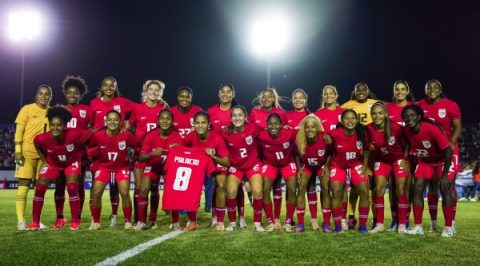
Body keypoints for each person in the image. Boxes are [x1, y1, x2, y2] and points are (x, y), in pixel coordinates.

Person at [29, 106, 90, 230]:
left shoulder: (75, 134)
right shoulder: (42, 138)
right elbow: (37, 144)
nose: (55, 128)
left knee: (72, 186)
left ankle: (75, 221)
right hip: (53, 164)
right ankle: (35, 222)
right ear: (49, 125)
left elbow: (91, 133)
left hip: (71, 163)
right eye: (52, 125)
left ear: (64, 126)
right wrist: (44, 161)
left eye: (59, 125)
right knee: (40, 186)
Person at [401, 105, 455, 237]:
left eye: (412, 115)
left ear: (419, 117)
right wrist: (406, 157)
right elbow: (409, 143)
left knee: (445, 189)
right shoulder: (407, 130)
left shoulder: (431, 129)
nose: (409, 118)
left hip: (441, 161)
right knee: (417, 189)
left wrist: (444, 175)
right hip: (425, 162)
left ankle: (449, 228)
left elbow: (448, 150)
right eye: (406, 116)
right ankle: (418, 226)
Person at [89, 76, 136, 227]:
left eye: (112, 85)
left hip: (119, 156)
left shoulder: (121, 102)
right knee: (96, 191)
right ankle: (95, 220)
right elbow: (89, 123)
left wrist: (128, 124)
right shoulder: (94, 103)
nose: (109, 88)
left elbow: (139, 109)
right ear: (101, 87)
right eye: (106, 85)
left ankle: (119, 218)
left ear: (115, 87)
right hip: (102, 153)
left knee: (120, 191)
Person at [417, 79, 462, 233]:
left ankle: (451, 224)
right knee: (432, 187)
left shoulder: (450, 105)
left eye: (435, 87)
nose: (432, 89)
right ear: (425, 90)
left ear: (440, 89)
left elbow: (457, 126)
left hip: (448, 150)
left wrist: (451, 143)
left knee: (448, 185)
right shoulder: (419, 106)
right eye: (429, 87)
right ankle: (434, 222)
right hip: (430, 152)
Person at [127, 80, 167, 227]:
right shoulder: (138, 108)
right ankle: (138, 218)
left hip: (156, 155)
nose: (154, 92)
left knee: (154, 188)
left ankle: (153, 219)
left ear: (160, 93)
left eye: (157, 90)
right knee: (139, 188)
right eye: (151, 89)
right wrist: (132, 142)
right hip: (140, 154)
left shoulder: (163, 108)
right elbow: (127, 126)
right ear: (146, 91)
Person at [53, 75, 91, 229]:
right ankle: (60, 217)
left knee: (78, 185)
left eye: (76, 93)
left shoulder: (86, 110)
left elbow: (92, 130)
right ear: (65, 93)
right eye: (70, 92)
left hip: (79, 154)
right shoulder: (58, 109)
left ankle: (77, 216)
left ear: (80, 94)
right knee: (60, 185)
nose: (73, 95)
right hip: (60, 154)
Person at [135, 109, 182, 230]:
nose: (165, 121)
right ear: (158, 120)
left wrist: (179, 149)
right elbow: (141, 157)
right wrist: (153, 153)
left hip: (169, 167)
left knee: (173, 190)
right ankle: (142, 222)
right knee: (144, 188)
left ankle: (175, 222)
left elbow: (183, 155)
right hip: (153, 166)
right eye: (162, 118)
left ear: (172, 121)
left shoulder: (176, 136)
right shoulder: (151, 135)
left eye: (168, 119)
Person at [207, 83, 246, 228]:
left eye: (228, 92)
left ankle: (241, 217)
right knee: (219, 185)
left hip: (236, 155)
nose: (225, 94)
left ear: (233, 94)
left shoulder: (237, 111)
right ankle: (215, 216)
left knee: (237, 186)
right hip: (219, 156)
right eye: (222, 92)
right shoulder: (211, 111)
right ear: (218, 94)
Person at [366, 103, 410, 234]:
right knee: (378, 188)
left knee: (400, 189)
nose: (377, 116)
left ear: (385, 114)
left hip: (398, 159)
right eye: (374, 113)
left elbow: (408, 143)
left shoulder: (396, 127)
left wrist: (406, 159)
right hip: (382, 160)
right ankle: (379, 224)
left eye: (380, 113)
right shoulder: (368, 128)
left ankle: (402, 225)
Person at [183, 111, 230, 231]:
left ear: (209, 124)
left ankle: (219, 221)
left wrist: (214, 156)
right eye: (197, 122)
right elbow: (182, 151)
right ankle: (193, 221)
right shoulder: (190, 137)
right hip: (198, 167)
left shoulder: (216, 137)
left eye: (203, 122)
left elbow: (226, 162)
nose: (200, 125)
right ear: (193, 124)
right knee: (189, 186)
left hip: (215, 165)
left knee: (220, 184)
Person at [325, 109, 370, 233]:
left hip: (356, 165)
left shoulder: (361, 133)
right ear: (342, 120)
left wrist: (365, 166)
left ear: (357, 120)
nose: (350, 121)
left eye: (353, 118)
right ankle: (339, 226)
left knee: (365, 192)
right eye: (347, 118)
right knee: (336, 192)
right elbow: (326, 146)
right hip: (338, 166)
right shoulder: (334, 133)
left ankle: (362, 226)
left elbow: (366, 150)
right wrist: (326, 166)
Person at [340, 83, 379, 230]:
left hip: (374, 150)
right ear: (354, 92)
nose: (361, 92)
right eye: (358, 90)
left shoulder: (375, 104)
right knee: (355, 189)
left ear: (369, 91)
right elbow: (340, 124)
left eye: (364, 90)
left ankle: (376, 219)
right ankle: (351, 217)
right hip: (356, 149)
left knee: (372, 189)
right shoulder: (347, 105)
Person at [14, 85, 52, 230]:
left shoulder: (52, 111)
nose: (43, 96)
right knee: (23, 186)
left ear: (50, 97)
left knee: (40, 189)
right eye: (41, 94)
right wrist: (18, 150)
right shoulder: (27, 109)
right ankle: (21, 220)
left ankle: (36, 220)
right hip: (27, 154)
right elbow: (19, 131)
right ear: (36, 95)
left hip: (43, 157)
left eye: (46, 94)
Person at [221, 106, 265, 232]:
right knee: (230, 191)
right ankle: (233, 223)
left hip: (252, 165)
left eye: (240, 115)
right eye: (234, 115)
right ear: (230, 118)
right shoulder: (225, 133)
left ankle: (257, 224)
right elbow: (212, 137)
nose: (237, 118)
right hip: (236, 166)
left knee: (257, 191)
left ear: (246, 117)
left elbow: (269, 130)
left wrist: (284, 128)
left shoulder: (253, 128)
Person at [249, 87, 287, 227]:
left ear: (274, 98)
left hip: (275, 155)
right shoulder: (254, 112)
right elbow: (250, 131)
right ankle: (269, 217)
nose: (266, 98)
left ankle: (276, 218)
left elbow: (285, 132)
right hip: (259, 155)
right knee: (263, 187)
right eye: (263, 96)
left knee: (277, 187)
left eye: (269, 96)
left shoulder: (280, 113)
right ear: (260, 98)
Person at [258, 113, 298, 232]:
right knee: (265, 189)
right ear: (266, 126)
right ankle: (271, 221)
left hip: (287, 163)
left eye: (276, 124)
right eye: (270, 124)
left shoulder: (289, 133)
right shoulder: (261, 135)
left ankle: (288, 221)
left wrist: (323, 134)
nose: (273, 126)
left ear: (281, 125)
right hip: (270, 164)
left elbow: (303, 131)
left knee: (291, 189)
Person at [385, 80, 415, 231]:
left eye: (403, 89)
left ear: (407, 91)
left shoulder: (413, 108)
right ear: (394, 91)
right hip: (391, 155)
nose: (400, 92)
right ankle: (395, 220)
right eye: (397, 89)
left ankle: (405, 220)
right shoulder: (387, 108)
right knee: (393, 188)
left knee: (405, 188)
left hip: (409, 155)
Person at [314, 85, 344, 229]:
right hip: (323, 157)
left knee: (340, 189)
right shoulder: (318, 114)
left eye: (331, 93)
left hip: (339, 157)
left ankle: (341, 219)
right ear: (323, 97)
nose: (328, 96)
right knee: (325, 188)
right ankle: (326, 221)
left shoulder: (343, 112)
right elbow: (312, 132)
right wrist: (322, 134)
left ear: (336, 95)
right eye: (325, 94)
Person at [295, 114, 330, 232]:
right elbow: (296, 154)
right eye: (307, 127)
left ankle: (326, 224)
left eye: (313, 127)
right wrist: (299, 168)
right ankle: (300, 224)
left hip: (321, 166)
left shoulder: (324, 138)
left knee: (325, 188)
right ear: (303, 128)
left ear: (318, 128)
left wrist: (327, 166)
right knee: (301, 189)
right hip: (307, 167)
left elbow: (330, 152)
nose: (310, 129)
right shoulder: (300, 139)